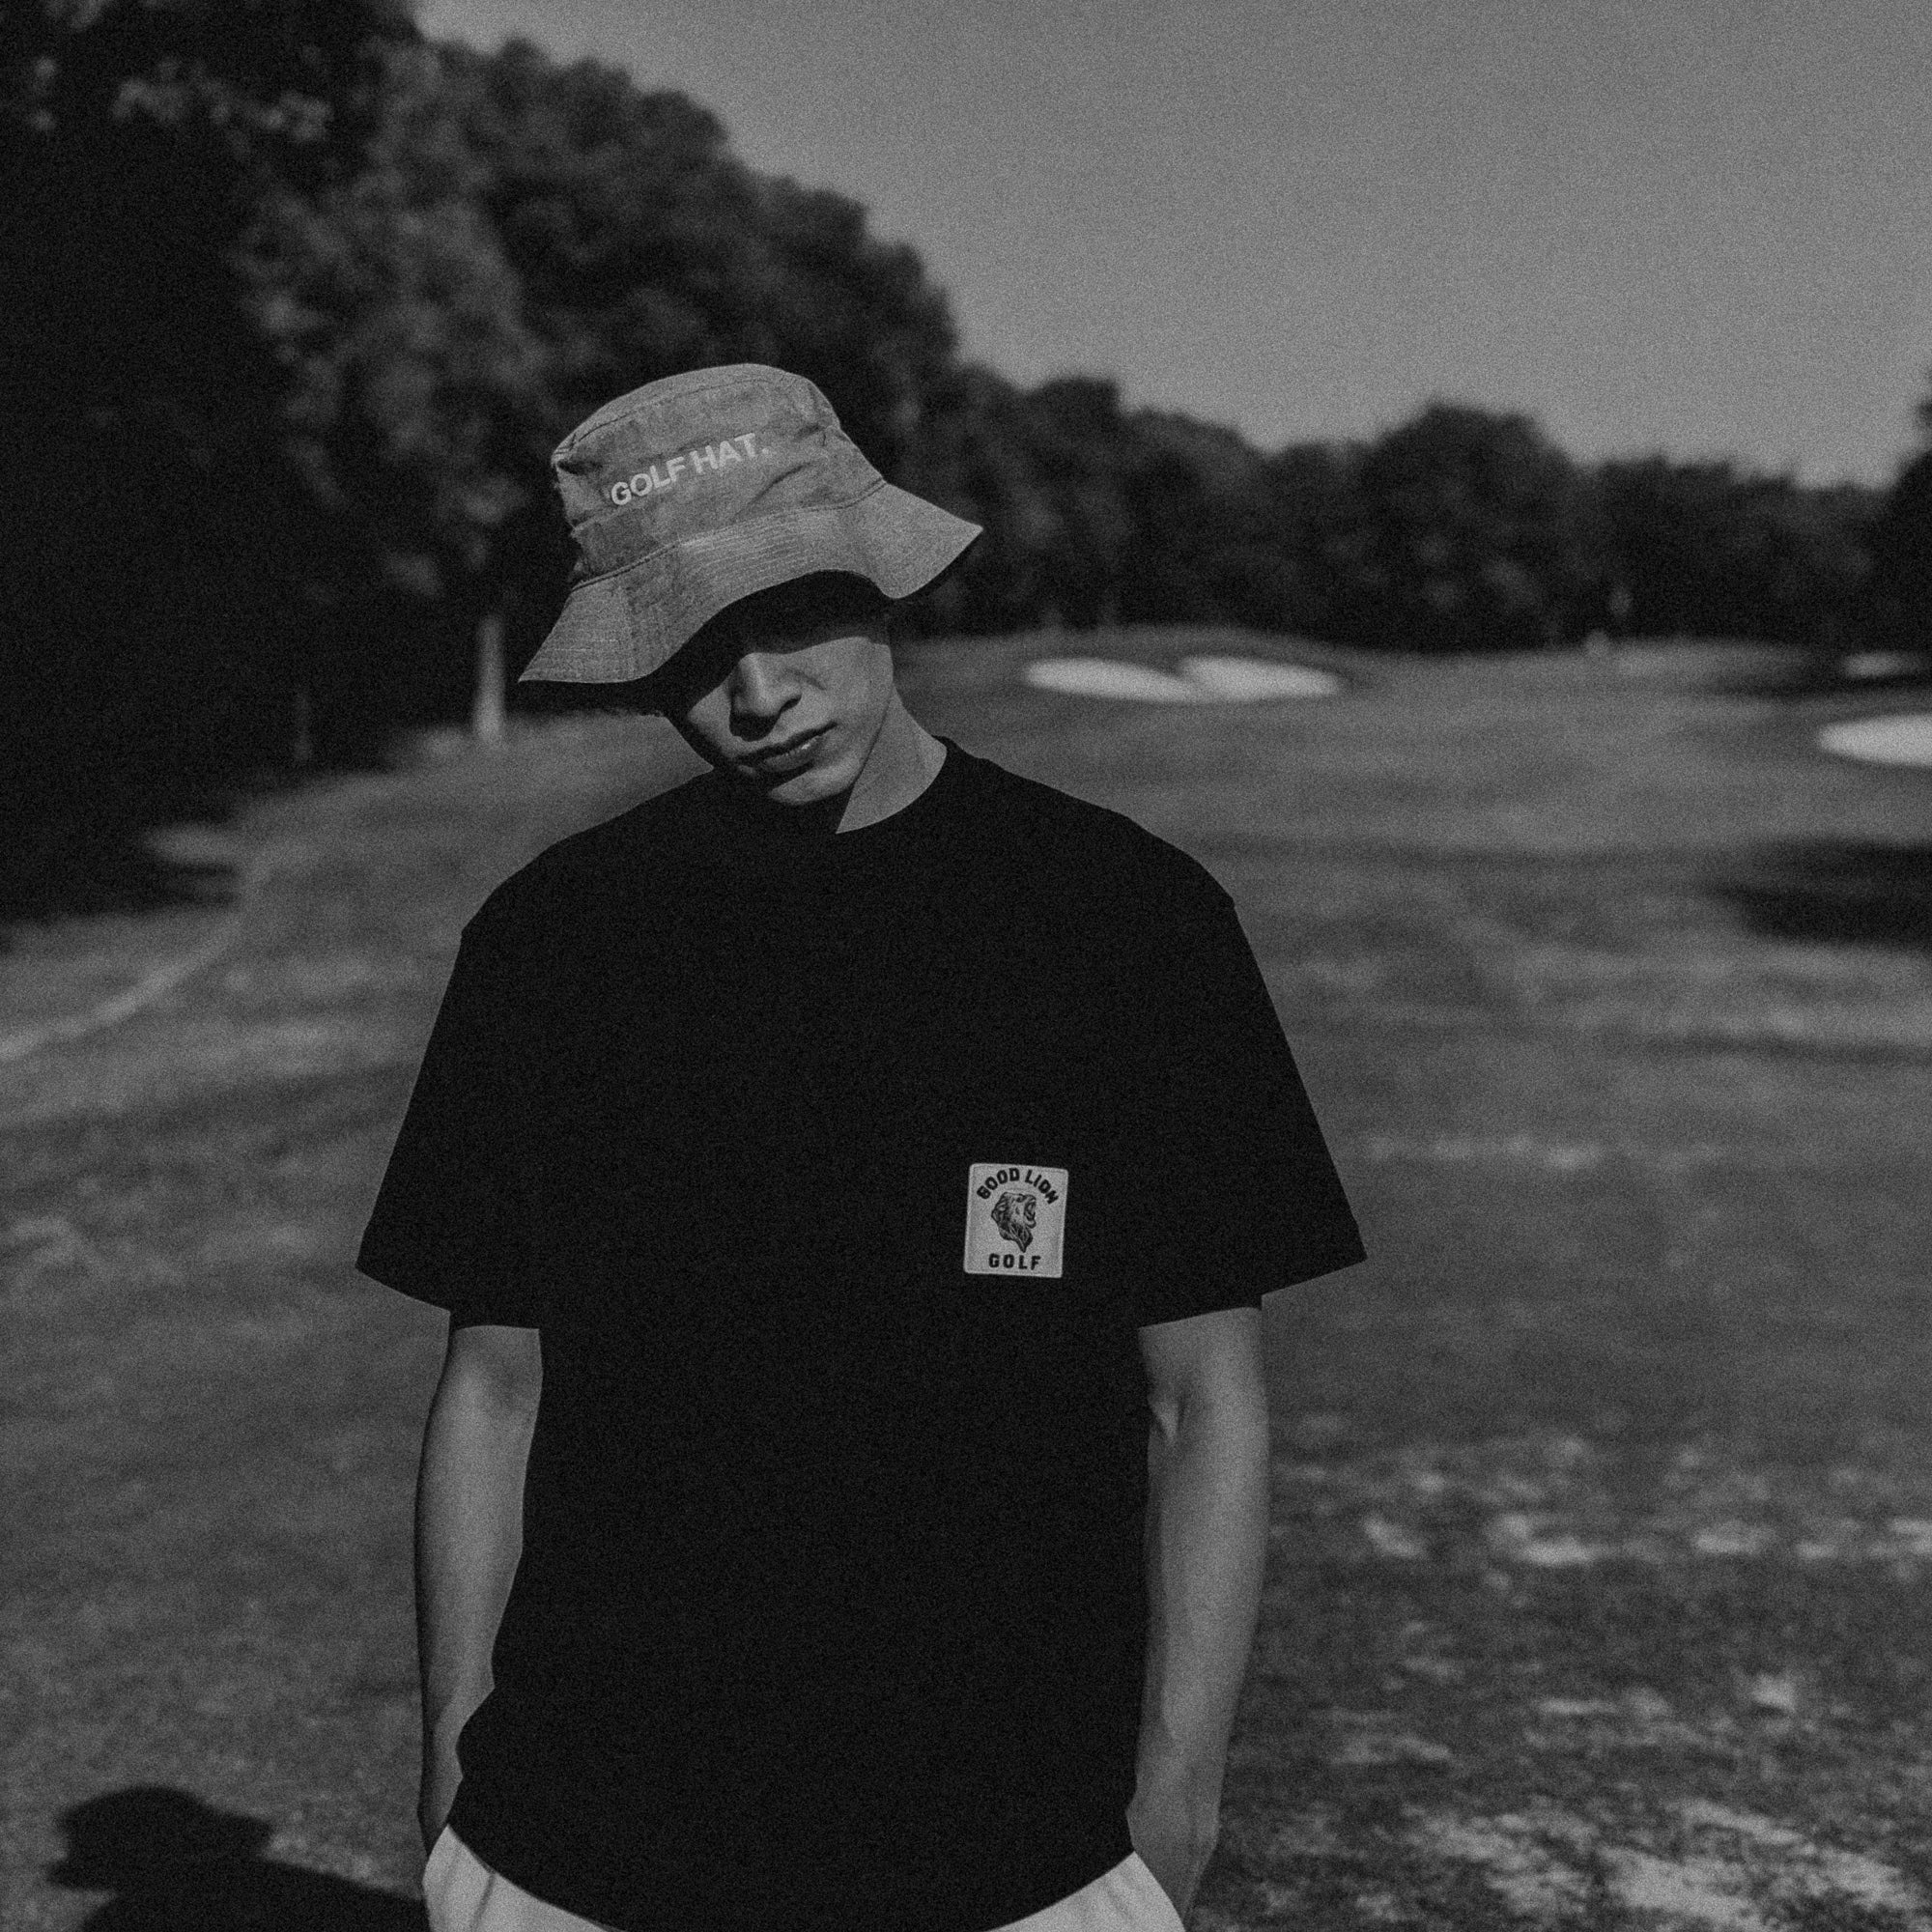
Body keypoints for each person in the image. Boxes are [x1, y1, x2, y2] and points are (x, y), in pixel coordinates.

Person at [357, 364, 1365, 1932]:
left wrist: (1173, 1805)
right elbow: (494, 1386)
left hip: (1018, 1850)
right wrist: (451, 1787)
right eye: (690, 652)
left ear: (878, 579)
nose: (757, 695)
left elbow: (1204, 1405)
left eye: (789, 616)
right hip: (582, 1843)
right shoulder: (556, 946)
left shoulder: (1122, 926)